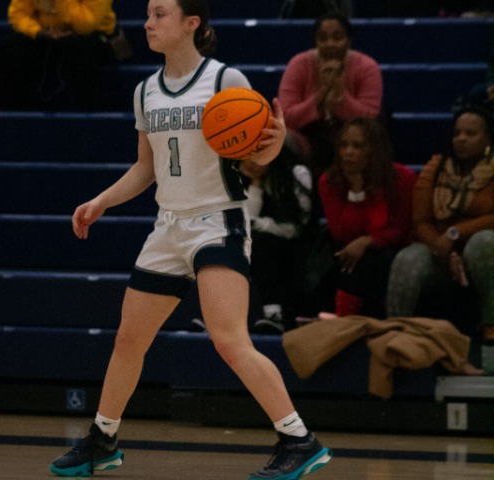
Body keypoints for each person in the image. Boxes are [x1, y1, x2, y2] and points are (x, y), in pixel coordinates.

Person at [49, 1, 332, 479]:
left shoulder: (225, 80)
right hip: (168, 226)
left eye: (160, 14)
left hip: (218, 219)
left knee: (229, 340)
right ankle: (103, 439)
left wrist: (274, 142)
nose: (148, 23)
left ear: (191, 23)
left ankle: (299, 439)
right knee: (128, 340)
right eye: (148, 14)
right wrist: (101, 202)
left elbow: (257, 158)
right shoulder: (145, 91)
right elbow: (146, 168)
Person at [386, 106, 494, 343]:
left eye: (470, 134)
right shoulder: (436, 168)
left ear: (488, 139)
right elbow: (421, 221)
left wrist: (455, 233)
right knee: (407, 260)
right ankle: (395, 333)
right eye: (457, 133)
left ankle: (491, 327)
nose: (461, 139)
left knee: (484, 242)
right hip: (438, 249)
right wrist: (444, 249)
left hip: (480, 251)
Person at [318, 117, 418, 318]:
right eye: (343, 145)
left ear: (375, 149)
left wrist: (367, 241)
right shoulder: (329, 181)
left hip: (392, 248)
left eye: (358, 146)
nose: (348, 152)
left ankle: (346, 317)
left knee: (372, 258)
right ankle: (345, 318)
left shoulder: (403, 178)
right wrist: (356, 188)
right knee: (350, 257)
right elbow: (341, 232)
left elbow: (400, 230)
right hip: (348, 248)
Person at [277, 12, 383, 183]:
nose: (330, 44)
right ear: (315, 41)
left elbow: (370, 119)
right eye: (323, 38)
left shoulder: (367, 67)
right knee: (281, 138)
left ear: (349, 40)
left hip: (351, 139)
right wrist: (321, 95)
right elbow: (285, 117)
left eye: (337, 37)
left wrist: (340, 96)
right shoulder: (299, 64)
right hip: (308, 138)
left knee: (373, 137)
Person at [241, 145, 316, 333]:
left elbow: (297, 228)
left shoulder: (297, 174)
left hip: (302, 246)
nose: (252, 160)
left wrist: (262, 224)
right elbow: (246, 223)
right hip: (265, 246)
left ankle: (274, 315)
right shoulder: (241, 176)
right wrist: (255, 183)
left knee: (260, 244)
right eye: (247, 154)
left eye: (258, 153)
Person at [0, 0, 120, 112]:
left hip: (91, 35)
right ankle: (17, 117)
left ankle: (86, 119)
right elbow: (17, 14)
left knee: (81, 51)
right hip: (47, 34)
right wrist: (38, 31)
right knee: (8, 48)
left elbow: (85, 25)